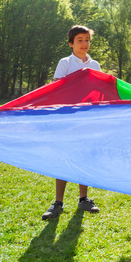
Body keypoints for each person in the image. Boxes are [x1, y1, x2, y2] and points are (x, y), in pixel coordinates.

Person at [42, 25, 101, 219]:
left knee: (84, 157)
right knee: (64, 158)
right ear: (71, 43)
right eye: (80, 40)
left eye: (87, 40)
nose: (84, 44)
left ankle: (83, 199)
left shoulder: (95, 65)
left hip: (87, 120)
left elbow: (99, 92)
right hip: (67, 119)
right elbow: (57, 89)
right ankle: (58, 202)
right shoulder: (65, 63)